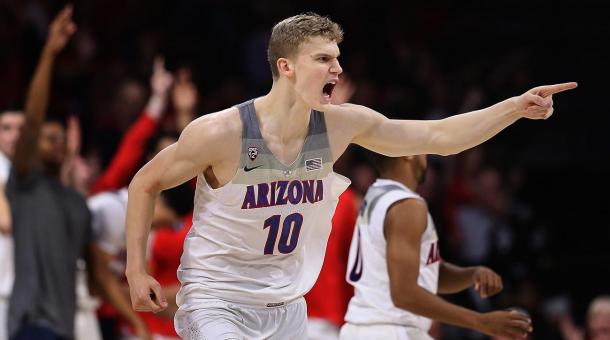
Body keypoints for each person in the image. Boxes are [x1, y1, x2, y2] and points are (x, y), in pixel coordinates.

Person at [124, 12, 576, 339]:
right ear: (286, 67)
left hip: (287, 304)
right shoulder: (221, 131)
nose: (337, 69)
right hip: (217, 297)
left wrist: (514, 107)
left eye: (337, 58)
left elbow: (439, 136)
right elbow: (144, 182)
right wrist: (135, 269)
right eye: (324, 59)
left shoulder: (339, 125)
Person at [340, 152, 531, 339]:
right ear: (408, 154)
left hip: (370, 327)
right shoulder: (406, 205)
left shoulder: (377, 194)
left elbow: (427, 274)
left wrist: (471, 275)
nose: (428, 156)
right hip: (390, 328)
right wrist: (481, 321)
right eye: (423, 149)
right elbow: (404, 293)